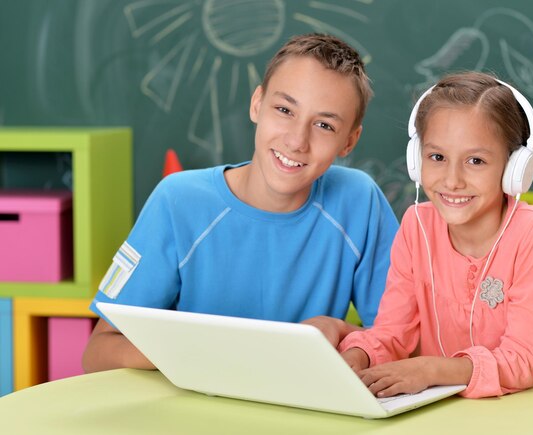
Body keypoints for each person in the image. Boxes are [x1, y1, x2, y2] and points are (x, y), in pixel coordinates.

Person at [83, 33, 399, 373]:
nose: (296, 140)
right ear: (256, 104)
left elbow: (404, 339)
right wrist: (217, 355)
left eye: (324, 125)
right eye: (284, 110)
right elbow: (99, 352)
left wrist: (338, 330)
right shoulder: (178, 201)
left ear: (350, 140)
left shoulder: (359, 202)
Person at [339, 71, 533, 400]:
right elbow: (392, 332)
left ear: (514, 168)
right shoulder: (416, 227)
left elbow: (525, 360)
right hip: (456, 414)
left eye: (475, 160)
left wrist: (431, 370)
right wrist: (356, 357)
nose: (452, 180)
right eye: (437, 157)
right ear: (416, 161)